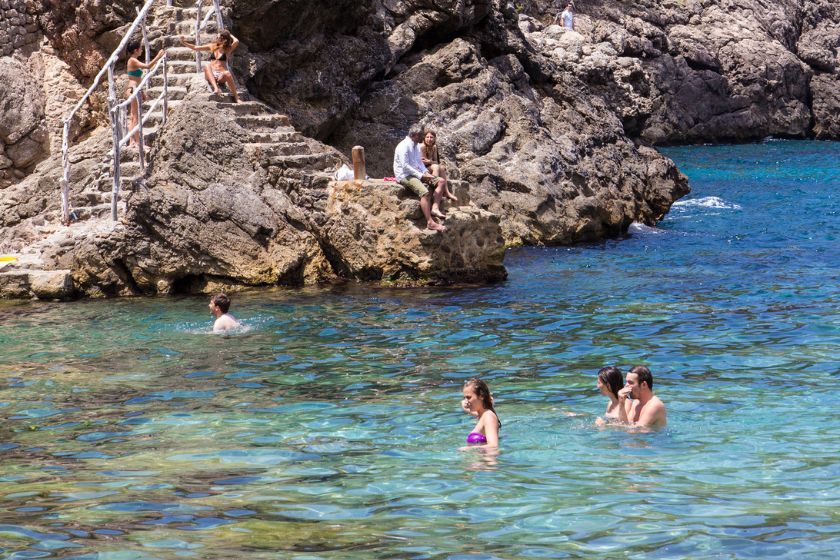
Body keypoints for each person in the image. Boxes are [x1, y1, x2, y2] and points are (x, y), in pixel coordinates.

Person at [393, 124, 447, 231]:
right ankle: (430, 222)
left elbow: (419, 162)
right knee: (425, 193)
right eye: (421, 135)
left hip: (417, 173)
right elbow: (405, 166)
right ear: (416, 135)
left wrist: (426, 172)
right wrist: (421, 175)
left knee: (440, 181)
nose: (423, 137)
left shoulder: (415, 146)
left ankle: (435, 208)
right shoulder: (403, 146)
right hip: (405, 175)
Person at [180, 30, 240, 103]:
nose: (215, 38)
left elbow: (236, 41)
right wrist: (183, 42)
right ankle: (216, 88)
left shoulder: (228, 49)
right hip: (211, 74)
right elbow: (195, 47)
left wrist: (229, 34)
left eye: (218, 37)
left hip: (221, 75)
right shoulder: (212, 46)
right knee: (207, 65)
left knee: (227, 73)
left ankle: (236, 97)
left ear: (223, 40)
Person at [126, 41, 165, 146]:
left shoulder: (133, 60)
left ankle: (131, 141)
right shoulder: (133, 60)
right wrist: (158, 56)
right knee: (135, 117)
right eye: (140, 48)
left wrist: (142, 91)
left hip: (134, 88)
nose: (142, 50)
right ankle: (137, 142)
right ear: (136, 50)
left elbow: (137, 79)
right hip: (133, 89)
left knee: (133, 116)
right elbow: (147, 66)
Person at [420, 129, 457, 205]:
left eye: (431, 137)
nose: (429, 139)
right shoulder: (422, 146)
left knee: (442, 167)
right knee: (436, 167)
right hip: (422, 170)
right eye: (427, 137)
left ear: (434, 138)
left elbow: (436, 161)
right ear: (424, 138)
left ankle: (446, 192)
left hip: (429, 167)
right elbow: (423, 162)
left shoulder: (434, 147)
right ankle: (434, 189)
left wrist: (430, 161)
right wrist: (431, 162)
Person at [461, 378, 500, 447]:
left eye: (468, 397)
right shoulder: (481, 415)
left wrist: (468, 449)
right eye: (464, 398)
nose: (466, 401)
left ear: (481, 396)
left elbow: (493, 446)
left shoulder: (488, 417)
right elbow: (467, 408)